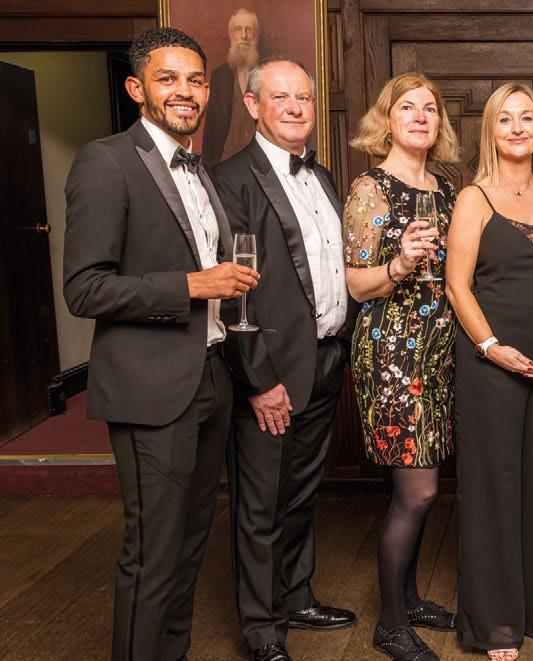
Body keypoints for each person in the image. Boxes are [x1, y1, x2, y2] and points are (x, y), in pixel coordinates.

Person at [62, 27, 259, 660]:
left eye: (195, 80)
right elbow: (85, 289)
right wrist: (192, 285)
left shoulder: (200, 170)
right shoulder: (106, 160)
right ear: (136, 88)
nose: (185, 91)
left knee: (190, 546)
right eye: (167, 78)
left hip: (210, 377)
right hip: (150, 390)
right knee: (152, 554)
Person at [212, 56, 357, 661]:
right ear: (252, 106)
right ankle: (263, 630)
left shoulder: (321, 176)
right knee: (260, 505)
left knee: (300, 492)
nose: (296, 108)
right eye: (281, 97)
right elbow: (232, 292)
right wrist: (258, 379)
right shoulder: (230, 180)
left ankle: (296, 596)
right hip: (270, 371)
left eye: (304, 97)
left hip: (325, 358)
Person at [445, 83, 533, 661]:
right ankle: (495, 623)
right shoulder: (473, 199)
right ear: (491, 131)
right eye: (505, 119)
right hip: (491, 363)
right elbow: (457, 286)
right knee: (493, 487)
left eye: (527, 118)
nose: (517, 127)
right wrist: (490, 346)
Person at [341, 71, 461, 661]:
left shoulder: (447, 189)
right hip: (392, 353)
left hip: (442, 352)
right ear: (386, 119)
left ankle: (410, 600)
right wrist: (398, 264)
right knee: (418, 489)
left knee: (422, 489)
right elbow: (355, 285)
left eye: (429, 108)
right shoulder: (371, 188)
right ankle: (390, 624)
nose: (419, 116)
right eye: (407, 106)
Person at [203, 8, 260, 166]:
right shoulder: (219, 75)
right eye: (238, 29)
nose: (244, 35)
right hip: (225, 160)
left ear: (255, 34)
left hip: (261, 162)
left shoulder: (267, 73)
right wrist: (208, 167)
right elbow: (212, 124)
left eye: (249, 29)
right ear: (230, 34)